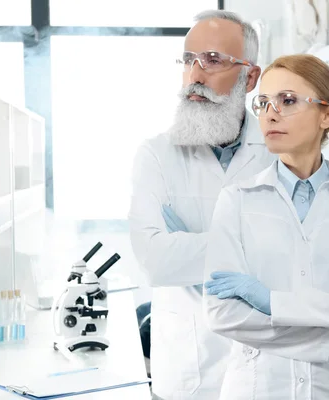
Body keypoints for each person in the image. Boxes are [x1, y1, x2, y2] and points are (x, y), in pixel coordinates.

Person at [203, 54, 329, 399]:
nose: (270, 112)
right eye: (263, 101)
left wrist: (271, 303)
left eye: (288, 100)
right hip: (258, 388)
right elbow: (223, 314)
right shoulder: (236, 200)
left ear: (328, 114)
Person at [128, 10, 277, 400]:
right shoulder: (156, 155)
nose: (195, 76)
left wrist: (188, 245)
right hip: (186, 375)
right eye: (188, 60)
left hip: (267, 372)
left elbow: (300, 259)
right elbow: (156, 262)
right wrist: (255, 242)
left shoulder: (280, 155)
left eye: (212, 60)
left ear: (250, 77)